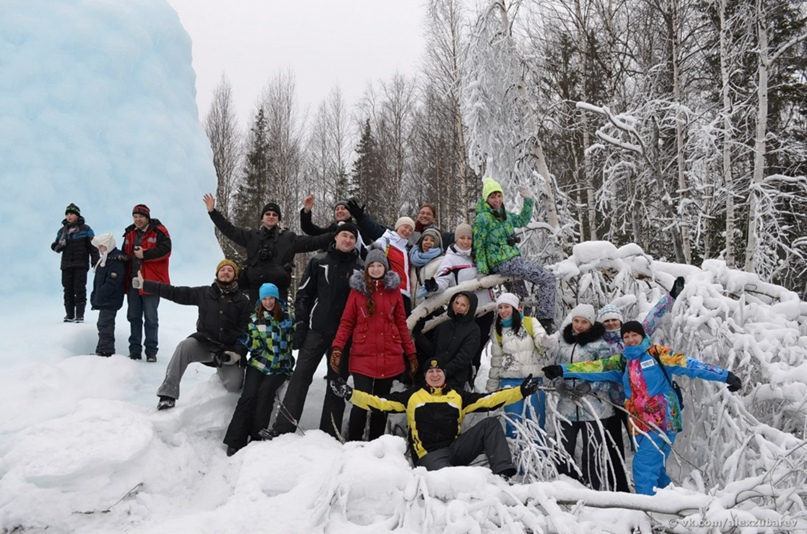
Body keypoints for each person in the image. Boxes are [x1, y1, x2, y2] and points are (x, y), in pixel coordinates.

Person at [543, 321, 742, 495]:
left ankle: (645, 513)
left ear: (642, 336)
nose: (630, 340)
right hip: (638, 424)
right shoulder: (624, 361)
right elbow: (595, 367)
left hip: (662, 420)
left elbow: (691, 365)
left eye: (634, 335)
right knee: (656, 470)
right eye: (626, 336)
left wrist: (725, 376)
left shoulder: (657, 354)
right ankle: (670, 505)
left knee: (643, 467)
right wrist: (562, 370)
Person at [329, 359, 543, 477]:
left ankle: (503, 474)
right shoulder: (412, 396)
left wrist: (520, 392)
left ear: (444, 375)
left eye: (438, 371)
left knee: (491, 425)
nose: (434, 374)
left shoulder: (457, 395)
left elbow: (490, 400)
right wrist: (350, 394)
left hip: (455, 449)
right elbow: (379, 402)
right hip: (429, 456)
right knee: (450, 482)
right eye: (430, 371)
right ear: (425, 376)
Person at [262, 225, 364, 440]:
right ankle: (283, 428)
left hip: (343, 336)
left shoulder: (360, 267)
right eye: (344, 235)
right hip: (316, 330)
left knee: (337, 383)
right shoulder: (319, 261)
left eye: (352, 237)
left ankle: (330, 434)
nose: (347, 240)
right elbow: (303, 295)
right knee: (300, 377)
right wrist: (301, 324)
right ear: (336, 237)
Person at [595, 275, 686, 491]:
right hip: (611, 404)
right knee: (614, 446)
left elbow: (654, 316)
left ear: (620, 322)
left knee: (645, 450)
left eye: (614, 320)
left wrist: (671, 297)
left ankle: (654, 489)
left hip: (639, 407)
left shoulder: (632, 336)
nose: (611, 324)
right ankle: (621, 488)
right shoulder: (598, 343)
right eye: (606, 321)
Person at [330, 248, 418, 441]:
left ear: (385, 268)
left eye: (380, 265)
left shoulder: (394, 291)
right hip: (363, 354)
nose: (376, 269)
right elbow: (346, 322)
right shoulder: (357, 291)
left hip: (389, 354)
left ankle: (376, 443)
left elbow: (401, 324)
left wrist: (411, 354)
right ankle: (354, 442)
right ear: (366, 268)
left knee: (381, 403)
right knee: (361, 402)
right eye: (372, 265)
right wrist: (337, 348)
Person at [139, 260, 250, 410]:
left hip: (228, 351)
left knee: (234, 387)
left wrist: (238, 353)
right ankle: (167, 395)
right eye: (223, 269)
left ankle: (222, 372)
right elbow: (175, 292)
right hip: (205, 344)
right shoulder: (204, 293)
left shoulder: (243, 301)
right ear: (217, 273)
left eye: (230, 270)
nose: (226, 272)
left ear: (235, 276)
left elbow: (246, 331)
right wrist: (146, 285)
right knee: (184, 347)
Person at [203, 193, 334, 304]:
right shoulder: (251, 236)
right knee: (254, 323)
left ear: (278, 219)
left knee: (278, 324)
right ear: (262, 218)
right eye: (268, 214)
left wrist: (338, 233)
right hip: (254, 290)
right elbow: (229, 230)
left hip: (279, 290)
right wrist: (213, 212)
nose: (271, 216)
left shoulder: (289, 238)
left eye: (274, 214)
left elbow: (313, 242)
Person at [548, 304, 620, 491]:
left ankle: (592, 489)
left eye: (584, 322)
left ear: (591, 323)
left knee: (592, 452)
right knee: (562, 449)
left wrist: (589, 386)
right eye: (576, 321)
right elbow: (555, 368)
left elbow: (608, 377)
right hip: (567, 406)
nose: (579, 325)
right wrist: (558, 383)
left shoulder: (600, 346)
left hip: (594, 407)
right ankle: (564, 488)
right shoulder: (563, 343)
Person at [472, 178, 556, 333]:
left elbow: (522, 220)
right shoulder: (482, 218)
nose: (497, 200)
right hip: (503, 262)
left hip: (513, 260)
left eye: (499, 196)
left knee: (521, 300)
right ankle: (545, 322)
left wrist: (528, 201)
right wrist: (482, 270)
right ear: (486, 199)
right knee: (548, 279)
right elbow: (479, 244)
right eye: (492, 197)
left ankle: (521, 332)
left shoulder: (504, 214)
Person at [223, 283, 294, 456]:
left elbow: (291, 344)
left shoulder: (287, 319)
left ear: (276, 299)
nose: (268, 302)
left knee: (265, 393)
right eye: (264, 299)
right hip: (258, 364)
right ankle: (235, 440)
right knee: (249, 395)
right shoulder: (255, 319)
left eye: (271, 298)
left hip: (279, 366)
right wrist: (243, 338)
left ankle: (256, 436)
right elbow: (256, 345)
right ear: (260, 301)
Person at [423, 223, 495, 383]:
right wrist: (434, 286)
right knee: (463, 352)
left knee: (478, 351)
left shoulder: (479, 254)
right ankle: (458, 381)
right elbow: (443, 279)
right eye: (462, 238)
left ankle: (472, 378)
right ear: (456, 239)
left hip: (485, 311)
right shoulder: (450, 259)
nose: (466, 241)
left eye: (469, 238)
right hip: (466, 314)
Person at [486, 293, 549, 437]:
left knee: (536, 423)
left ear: (515, 308)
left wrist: (545, 342)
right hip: (510, 383)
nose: (503, 311)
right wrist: (491, 390)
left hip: (533, 381)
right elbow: (496, 361)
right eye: (500, 307)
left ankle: (538, 451)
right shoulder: (498, 331)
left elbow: (540, 340)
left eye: (506, 307)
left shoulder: (530, 323)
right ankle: (514, 451)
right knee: (513, 424)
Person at [122, 204, 171, 362]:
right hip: (133, 281)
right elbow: (125, 253)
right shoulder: (129, 233)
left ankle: (151, 351)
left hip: (151, 281)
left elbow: (166, 250)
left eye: (141, 217)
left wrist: (145, 254)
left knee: (151, 318)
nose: (138, 220)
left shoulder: (159, 231)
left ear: (147, 218)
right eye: (135, 217)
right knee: (133, 316)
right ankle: (135, 350)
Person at [414, 291, 480, 390]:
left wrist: (443, 372)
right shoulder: (444, 325)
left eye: (463, 305)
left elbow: (463, 358)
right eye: (457, 303)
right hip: (435, 378)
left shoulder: (473, 330)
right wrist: (418, 334)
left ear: (469, 308)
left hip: (456, 380)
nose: (458, 307)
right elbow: (433, 350)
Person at [51, 203, 99, 323]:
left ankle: (80, 315)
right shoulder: (62, 231)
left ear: (77, 215)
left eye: (72, 214)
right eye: (67, 214)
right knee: (67, 289)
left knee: (80, 289)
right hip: (66, 264)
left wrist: (95, 261)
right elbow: (56, 244)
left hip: (81, 264)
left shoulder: (86, 230)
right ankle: (69, 314)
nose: (69, 216)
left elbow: (93, 247)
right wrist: (56, 246)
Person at [346, 199, 455, 248]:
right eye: (422, 213)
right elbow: (377, 230)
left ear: (434, 219)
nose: (425, 215)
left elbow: (460, 237)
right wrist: (361, 218)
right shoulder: (405, 233)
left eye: (428, 214)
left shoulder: (441, 236)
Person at [89, 233, 126, 357]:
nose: (100, 250)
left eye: (102, 247)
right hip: (105, 299)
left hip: (110, 299)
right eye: (99, 247)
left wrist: (101, 293)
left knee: (105, 324)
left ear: (109, 246)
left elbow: (113, 282)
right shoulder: (106, 259)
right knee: (103, 324)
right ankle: (102, 349)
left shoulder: (115, 260)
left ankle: (106, 350)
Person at [372, 217, 416, 314]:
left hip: (405, 294)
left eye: (410, 230)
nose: (407, 231)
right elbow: (370, 257)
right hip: (389, 291)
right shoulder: (385, 241)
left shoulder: (407, 249)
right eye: (405, 227)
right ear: (398, 226)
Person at [299, 194, 366, 256]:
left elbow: (366, 245)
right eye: (337, 209)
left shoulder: (357, 229)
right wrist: (306, 211)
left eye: (343, 208)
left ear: (350, 213)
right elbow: (310, 230)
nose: (339, 211)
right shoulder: (331, 229)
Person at [411, 227, 444, 306]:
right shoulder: (412, 259)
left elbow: (443, 283)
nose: (428, 242)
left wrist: (432, 286)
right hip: (412, 306)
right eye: (425, 239)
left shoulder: (441, 261)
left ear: (436, 243)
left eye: (432, 240)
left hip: (432, 307)